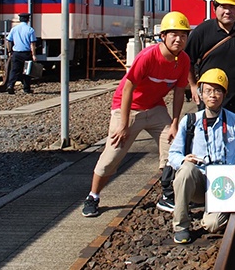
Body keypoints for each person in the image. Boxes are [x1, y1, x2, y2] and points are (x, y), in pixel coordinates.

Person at [82, 11, 191, 218]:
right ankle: (93, 196)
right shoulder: (148, 56)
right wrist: (123, 123)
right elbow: (127, 88)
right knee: (112, 154)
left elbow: (178, 93)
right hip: (129, 108)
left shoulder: (183, 60)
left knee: (173, 146)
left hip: (155, 108)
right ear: (163, 36)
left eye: (183, 35)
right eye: (174, 34)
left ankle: (167, 194)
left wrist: (175, 122)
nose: (179, 39)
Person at [168, 68, 235, 244]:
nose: (213, 95)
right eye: (208, 91)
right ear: (201, 93)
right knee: (185, 171)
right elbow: (173, 154)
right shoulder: (190, 121)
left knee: (212, 225)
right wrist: (184, 160)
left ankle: (213, 212)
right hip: (199, 180)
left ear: (224, 94)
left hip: (223, 184)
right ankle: (181, 226)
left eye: (217, 90)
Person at [5, 13, 37, 94]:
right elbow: (32, 44)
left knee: (14, 70)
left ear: (20, 20)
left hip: (16, 53)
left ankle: (10, 86)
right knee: (27, 71)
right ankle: (26, 89)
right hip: (26, 53)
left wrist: (9, 51)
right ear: (28, 20)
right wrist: (33, 55)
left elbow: (8, 41)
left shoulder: (14, 29)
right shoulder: (30, 30)